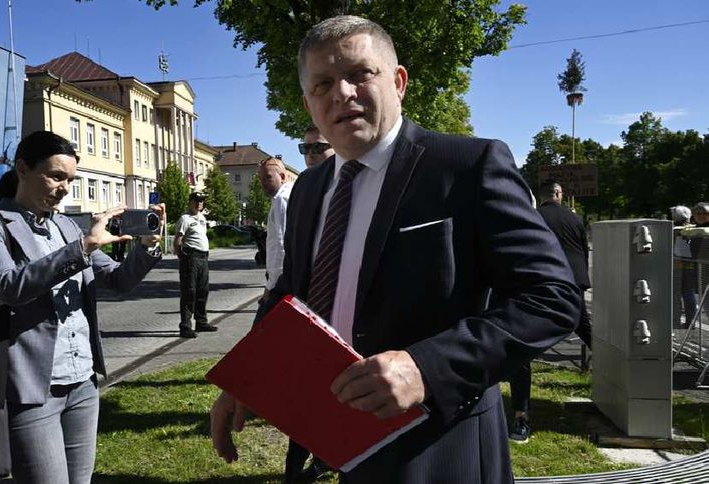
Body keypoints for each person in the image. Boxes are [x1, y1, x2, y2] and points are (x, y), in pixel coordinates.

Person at [210, 16, 580, 483]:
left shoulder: (467, 166)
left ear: (398, 82)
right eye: (322, 84)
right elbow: (292, 291)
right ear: (309, 103)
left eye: (359, 74)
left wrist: (427, 367)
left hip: (438, 447)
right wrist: (250, 376)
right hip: (327, 434)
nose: (341, 93)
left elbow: (551, 298)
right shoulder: (307, 190)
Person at [0, 131, 163, 483]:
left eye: (70, 180)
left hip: (82, 382)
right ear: (22, 169)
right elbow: (8, 287)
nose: (64, 188)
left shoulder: (67, 226)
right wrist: (83, 247)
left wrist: (146, 246)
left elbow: (118, 280)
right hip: (30, 388)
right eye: (56, 176)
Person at [506, 181, 592, 443]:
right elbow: (583, 250)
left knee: (522, 351)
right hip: (572, 284)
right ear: (558, 194)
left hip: (539, 285)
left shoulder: (533, 217)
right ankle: (619, 381)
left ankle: (521, 416)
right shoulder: (575, 219)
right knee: (589, 333)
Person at [256, 157, 321, 482]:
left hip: (285, 288)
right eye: (260, 179)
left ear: (283, 175)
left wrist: (274, 287)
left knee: (262, 347)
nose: (263, 183)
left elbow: (282, 246)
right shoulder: (290, 196)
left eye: (268, 177)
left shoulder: (284, 198)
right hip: (286, 286)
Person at [175, 191, 216, 338]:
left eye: (202, 201)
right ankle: (185, 326)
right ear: (190, 202)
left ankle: (201, 322)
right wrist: (182, 257)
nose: (199, 203)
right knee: (189, 292)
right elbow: (178, 241)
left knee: (203, 290)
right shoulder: (185, 219)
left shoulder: (202, 218)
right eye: (197, 200)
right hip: (191, 257)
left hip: (203, 257)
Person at [671, 205, 698, 328]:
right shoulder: (693, 229)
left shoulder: (673, 230)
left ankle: (675, 320)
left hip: (675, 264)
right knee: (689, 292)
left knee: (675, 293)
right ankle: (691, 322)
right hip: (690, 264)